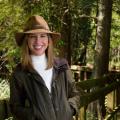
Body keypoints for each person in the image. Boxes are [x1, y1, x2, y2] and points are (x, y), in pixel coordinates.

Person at [9, 15, 80, 120]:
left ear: (48, 39)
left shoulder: (62, 66)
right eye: (33, 36)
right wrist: (34, 115)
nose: (38, 41)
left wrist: (70, 109)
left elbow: (75, 94)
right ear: (26, 40)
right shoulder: (20, 73)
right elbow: (15, 107)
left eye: (42, 36)